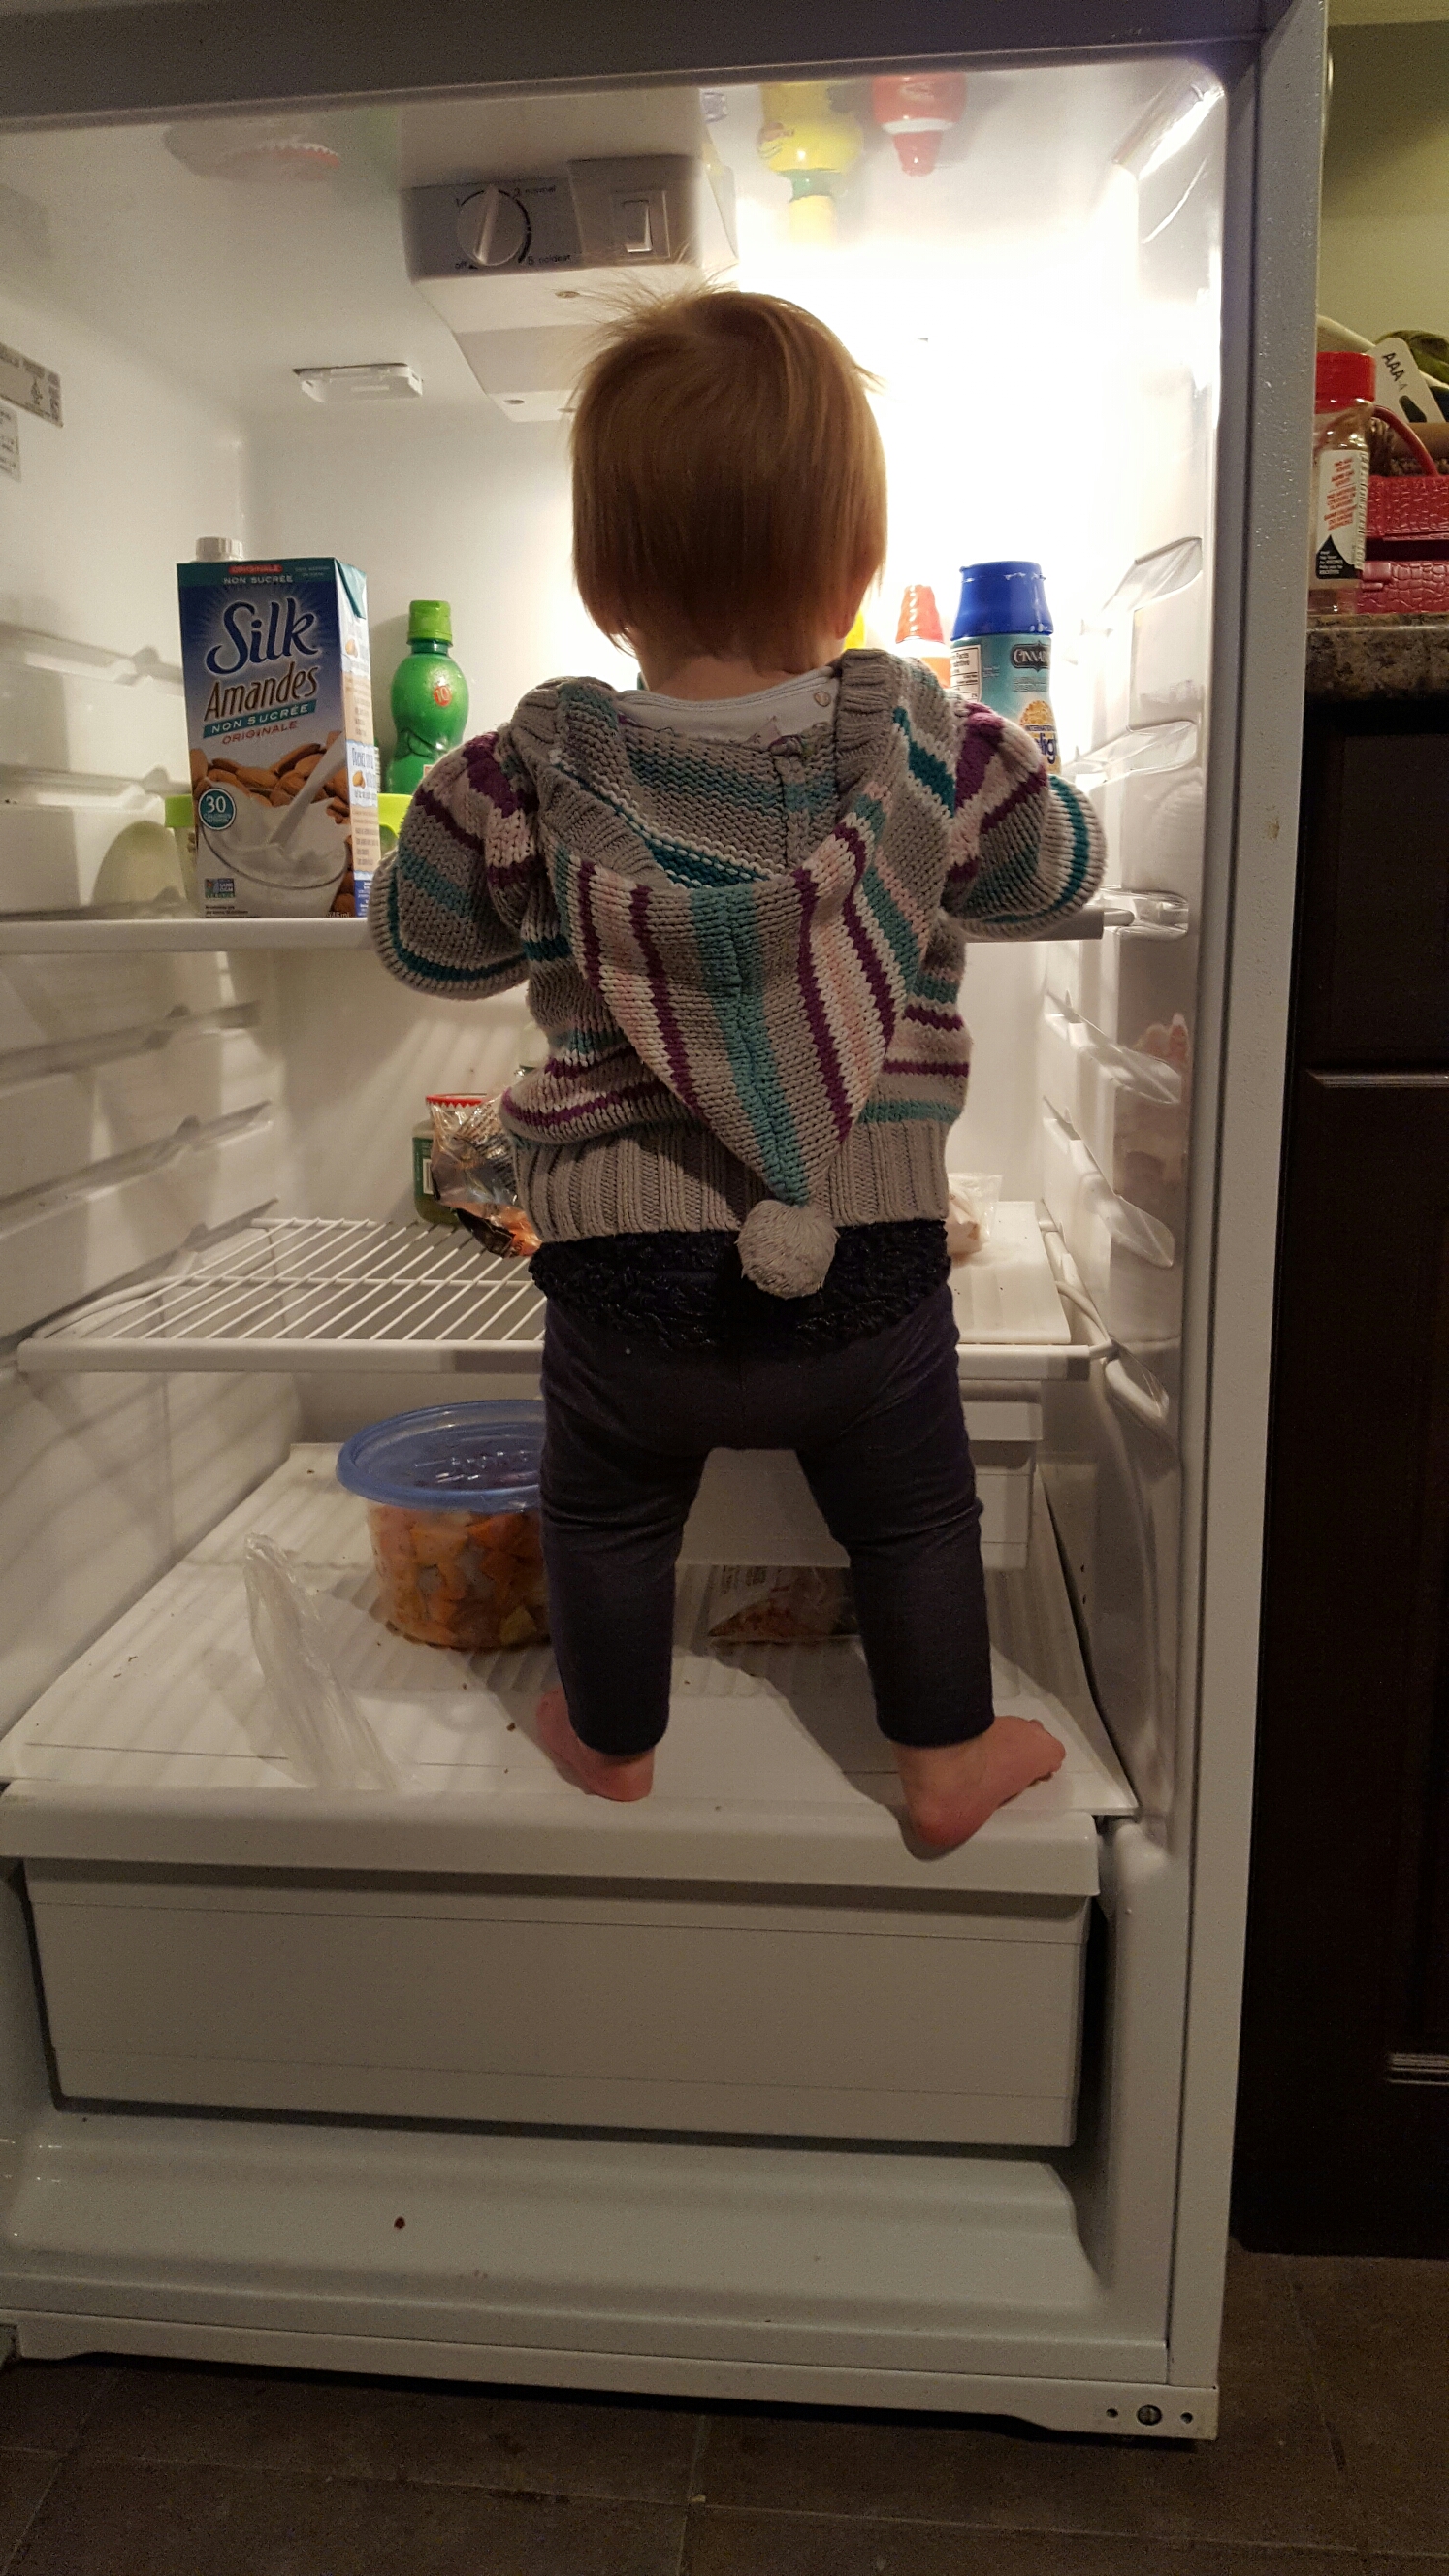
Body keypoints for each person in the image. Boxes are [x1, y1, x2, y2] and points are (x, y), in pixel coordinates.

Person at [371, 286, 1104, 1849]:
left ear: (601, 575)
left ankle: (611, 1739)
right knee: (913, 1512)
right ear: (855, 563)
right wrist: (1005, 765)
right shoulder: (934, 748)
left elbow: (426, 944)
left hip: (622, 1273)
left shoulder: (530, 768)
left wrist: (460, 809)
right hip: (868, 1256)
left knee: (606, 1509)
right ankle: (942, 1758)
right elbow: (1058, 871)